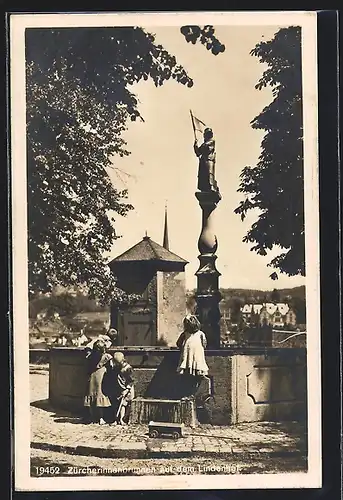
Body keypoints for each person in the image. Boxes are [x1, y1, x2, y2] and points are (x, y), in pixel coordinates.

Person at [83, 340, 113, 424]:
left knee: (91, 396)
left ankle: (92, 417)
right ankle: (101, 418)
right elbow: (111, 367)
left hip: (92, 376)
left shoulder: (90, 357)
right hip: (101, 377)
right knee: (100, 396)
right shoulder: (106, 357)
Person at [176, 314, 209, 383]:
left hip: (188, 351)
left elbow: (178, 343)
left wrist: (180, 347)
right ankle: (199, 372)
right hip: (198, 351)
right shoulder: (201, 333)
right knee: (198, 361)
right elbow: (204, 344)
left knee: (188, 360)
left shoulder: (185, 333)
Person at [110, 351, 135, 426]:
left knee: (124, 404)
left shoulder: (128, 368)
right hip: (119, 388)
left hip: (127, 389)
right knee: (118, 404)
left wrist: (127, 390)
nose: (115, 364)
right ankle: (117, 419)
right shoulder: (116, 367)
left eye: (116, 363)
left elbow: (131, 381)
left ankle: (122, 419)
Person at [194, 128, 218, 192]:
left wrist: (200, 148)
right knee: (203, 175)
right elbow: (198, 153)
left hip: (209, 160)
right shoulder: (204, 143)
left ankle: (211, 186)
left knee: (209, 174)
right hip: (203, 161)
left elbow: (206, 147)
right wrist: (195, 145)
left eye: (207, 134)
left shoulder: (212, 141)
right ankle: (204, 188)